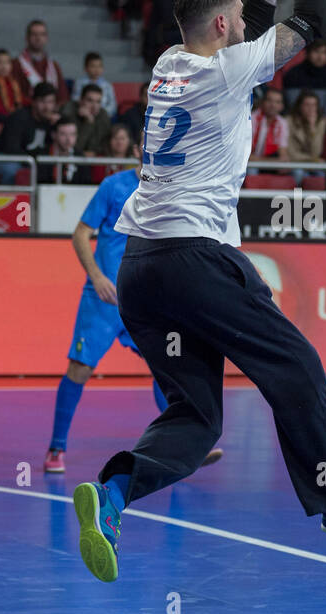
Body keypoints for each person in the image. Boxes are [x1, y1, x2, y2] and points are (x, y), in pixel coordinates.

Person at [74, 0, 326, 584]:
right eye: (234, 19)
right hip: (196, 258)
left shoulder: (172, 62)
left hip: (141, 269)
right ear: (220, 26)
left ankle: (113, 495)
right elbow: (314, 18)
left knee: (197, 417)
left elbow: (250, 15)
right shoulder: (227, 70)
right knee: (296, 366)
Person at [45, 136, 223, 472]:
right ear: (136, 151)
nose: (151, 150)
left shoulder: (170, 190)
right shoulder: (113, 186)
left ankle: (187, 448)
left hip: (148, 300)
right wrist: (96, 276)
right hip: (106, 298)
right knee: (79, 370)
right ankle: (56, 449)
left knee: (168, 369)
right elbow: (80, 234)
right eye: (145, 145)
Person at [0, 81, 62, 183]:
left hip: (34, 161)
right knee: (13, 170)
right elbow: (11, 149)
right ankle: (12, 198)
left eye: (50, 102)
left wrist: (57, 126)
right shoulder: (18, 118)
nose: (47, 107)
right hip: (5, 157)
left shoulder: (53, 120)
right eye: (42, 101)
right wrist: (34, 162)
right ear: (33, 102)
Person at [282, 38, 326, 115]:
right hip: (297, 117)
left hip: (321, 119)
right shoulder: (293, 73)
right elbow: (293, 105)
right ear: (307, 53)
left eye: (324, 52)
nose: (320, 57)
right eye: (316, 52)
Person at [14, 19, 68, 102]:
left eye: (42, 34)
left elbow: (62, 96)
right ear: (27, 38)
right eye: (34, 34)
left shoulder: (54, 66)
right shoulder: (16, 64)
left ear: (46, 38)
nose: (38, 38)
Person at [62, 82, 114, 156]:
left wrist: (94, 153)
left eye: (98, 102)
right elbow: (74, 148)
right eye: (90, 100)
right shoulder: (70, 113)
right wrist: (89, 122)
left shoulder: (103, 115)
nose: (95, 106)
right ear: (81, 101)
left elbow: (102, 147)